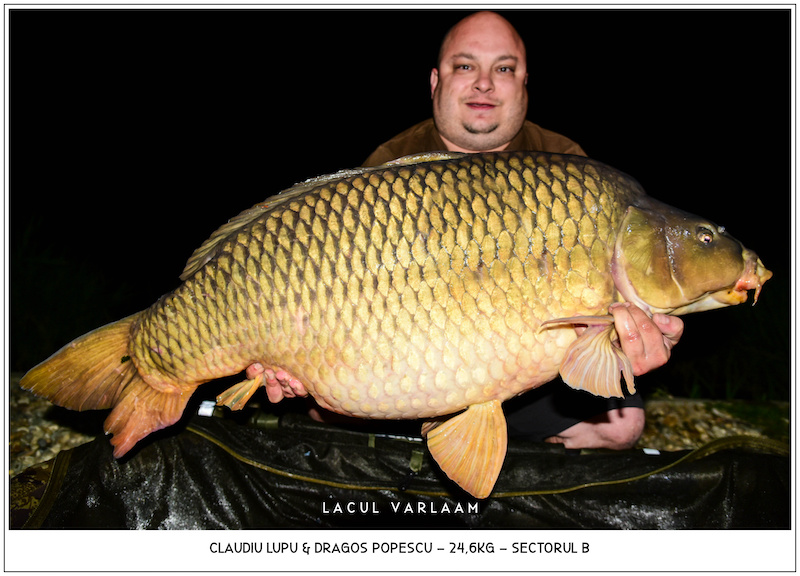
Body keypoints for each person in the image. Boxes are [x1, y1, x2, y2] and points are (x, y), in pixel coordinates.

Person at [260, 10, 683, 451]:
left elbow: (592, 312)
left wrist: (630, 336)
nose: (484, 82)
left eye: (503, 68)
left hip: (516, 363)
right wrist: (295, 358)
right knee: (319, 398)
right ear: (434, 81)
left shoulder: (565, 165)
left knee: (620, 424)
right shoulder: (390, 164)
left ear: (524, 83)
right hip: (401, 353)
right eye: (465, 66)